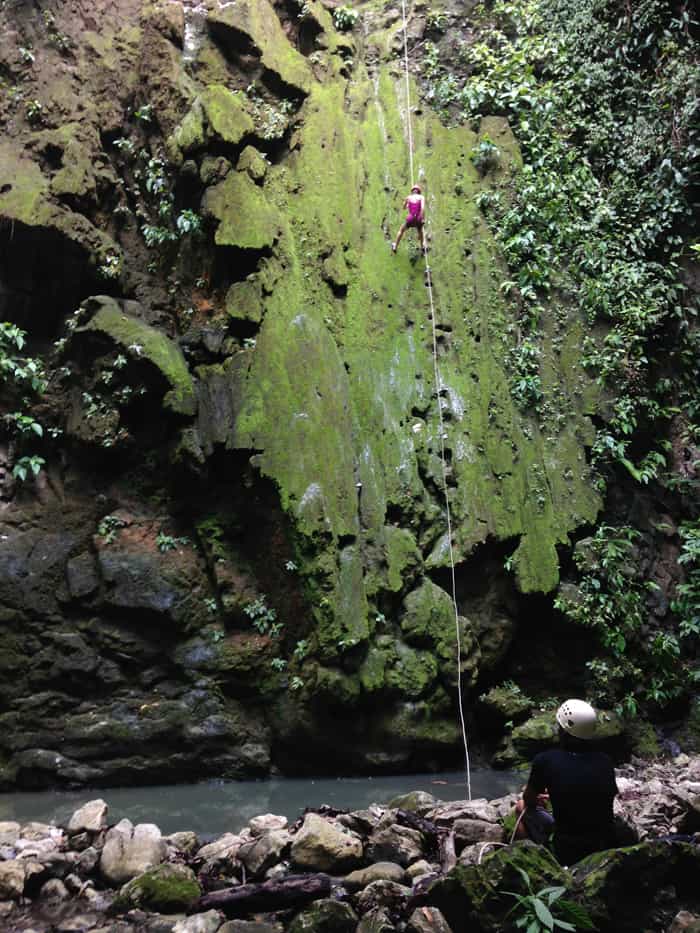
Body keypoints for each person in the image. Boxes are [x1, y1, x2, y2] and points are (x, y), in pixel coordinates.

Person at [514, 699, 618, 865]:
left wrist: (542, 795)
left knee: (520, 807)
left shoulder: (545, 760)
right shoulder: (605, 761)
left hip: (567, 848)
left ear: (563, 730)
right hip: (603, 844)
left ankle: (533, 862)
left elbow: (528, 799)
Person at [392, 184, 426, 254]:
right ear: (419, 191)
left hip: (410, 218)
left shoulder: (408, 197)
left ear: (412, 191)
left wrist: (406, 204)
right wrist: (422, 218)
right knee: (420, 231)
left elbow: (404, 208)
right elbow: (422, 208)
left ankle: (395, 246)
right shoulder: (421, 197)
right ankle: (422, 247)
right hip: (418, 218)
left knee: (401, 230)